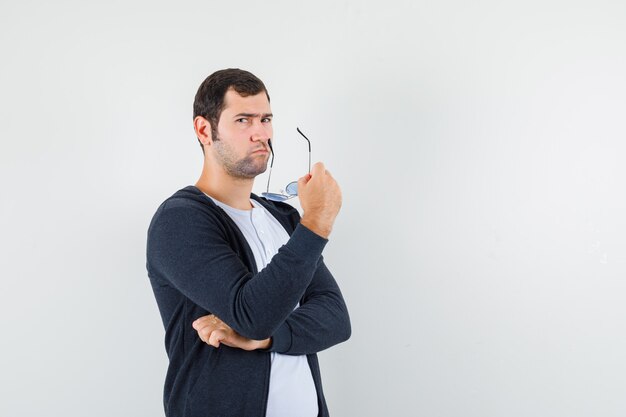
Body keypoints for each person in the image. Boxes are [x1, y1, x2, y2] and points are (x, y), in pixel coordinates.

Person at [146, 68, 351, 417]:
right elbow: (252, 314)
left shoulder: (283, 218)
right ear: (204, 130)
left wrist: (268, 338)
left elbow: (335, 318)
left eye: (266, 119)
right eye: (243, 120)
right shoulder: (180, 220)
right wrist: (317, 220)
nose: (261, 133)